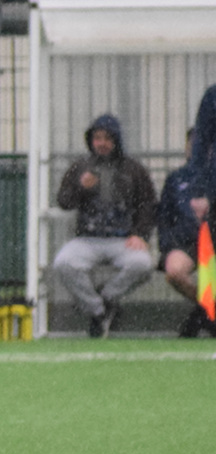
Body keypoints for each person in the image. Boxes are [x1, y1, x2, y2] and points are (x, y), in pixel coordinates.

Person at [51, 113, 157, 337]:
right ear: (90, 140)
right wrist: (80, 187)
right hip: (87, 239)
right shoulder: (80, 167)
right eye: (97, 138)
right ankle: (98, 312)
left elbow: (148, 205)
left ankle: (107, 298)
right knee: (64, 263)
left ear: (116, 140)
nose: (102, 143)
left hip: (123, 239)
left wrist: (140, 235)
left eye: (107, 138)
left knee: (142, 265)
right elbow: (63, 202)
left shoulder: (134, 169)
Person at [156, 126, 211, 336]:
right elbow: (164, 216)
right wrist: (167, 244)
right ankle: (208, 311)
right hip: (187, 242)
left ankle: (201, 316)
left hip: (213, 242)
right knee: (175, 272)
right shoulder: (176, 179)